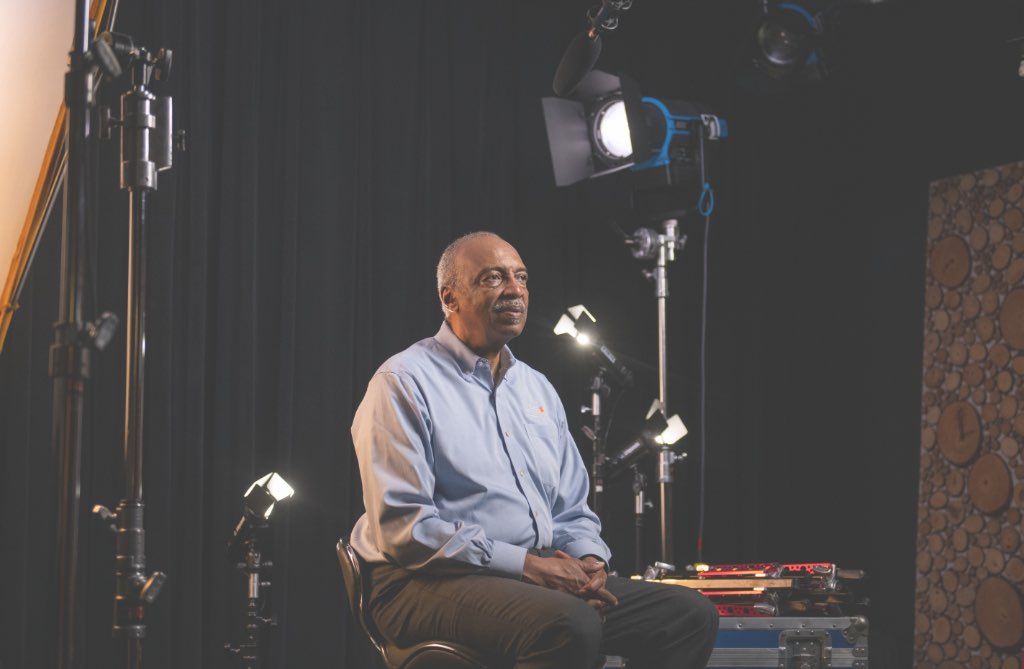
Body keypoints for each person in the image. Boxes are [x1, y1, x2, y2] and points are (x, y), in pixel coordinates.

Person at [349, 231, 718, 668]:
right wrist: (526, 566)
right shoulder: (403, 382)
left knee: (687, 615)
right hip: (419, 580)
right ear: (450, 298)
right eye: (493, 278)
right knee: (570, 623)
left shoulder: (535, 387)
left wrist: (589, 560)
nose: (514, 289)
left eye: (520, 277)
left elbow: (571, 509)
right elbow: (405, 530)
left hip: (532, 574)